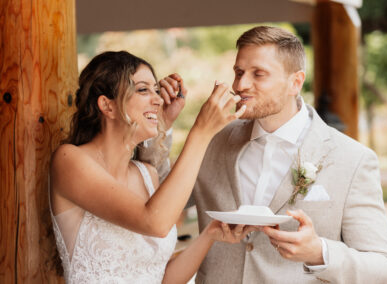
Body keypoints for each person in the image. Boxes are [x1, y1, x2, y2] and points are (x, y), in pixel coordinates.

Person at [144, 26, 387, 283]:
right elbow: (158, 199)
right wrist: (161, 126)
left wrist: (319, 252)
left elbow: (386, 269)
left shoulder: (352, 159)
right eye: (239, 72)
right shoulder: (212, 139)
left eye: (259, 74)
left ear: (295, 82)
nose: (241, 85)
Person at [49, 50, 253, 283]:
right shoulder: (69, 160)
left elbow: (160, 277)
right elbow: (154, 222)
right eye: (143, 89)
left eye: (156, 90)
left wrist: (210, 234)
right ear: (108, 105)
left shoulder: (147, 174)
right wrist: (201, 132)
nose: (157, 99)